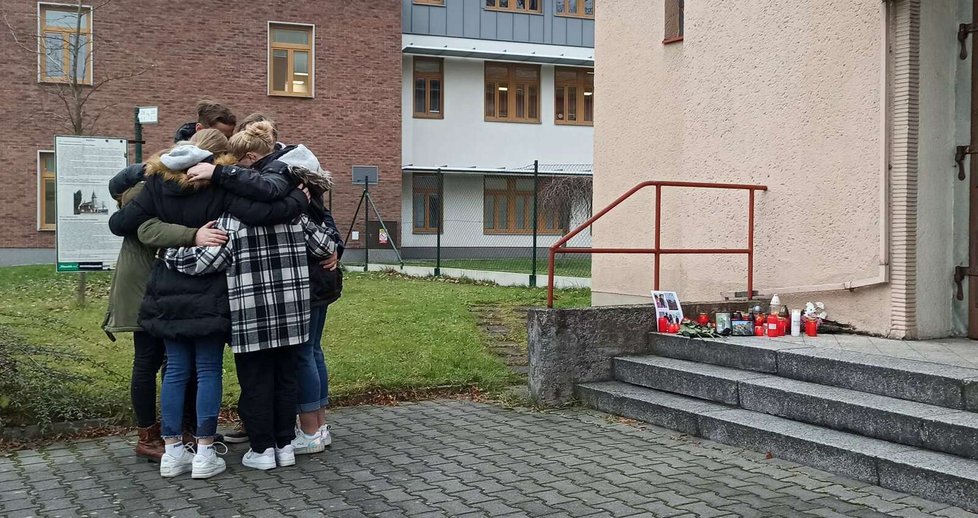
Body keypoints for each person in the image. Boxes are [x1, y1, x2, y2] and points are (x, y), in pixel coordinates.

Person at [108, 132, 309, 479]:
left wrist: (168, 240)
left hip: (166, 289)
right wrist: (297, 201)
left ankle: (172, 452)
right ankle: (203, 453)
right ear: (217, 156)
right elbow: (261, 210)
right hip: (210, 292)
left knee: (174, 371)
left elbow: (120, 224)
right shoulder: (220, 185)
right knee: (207, 370)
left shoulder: (155, 183)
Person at [187, 119, 342, 451]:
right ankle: (313, 428)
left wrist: (219, 183)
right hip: (310, 277)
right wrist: (333, 246)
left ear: (249, 158)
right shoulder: (294, 172)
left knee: (299, 356)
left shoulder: (278, 175)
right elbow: (321, 224)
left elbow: (269, 203)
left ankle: (310, 431)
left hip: (298, 284)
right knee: (307, 354)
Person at [102, 130, 230, 462]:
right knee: (150, 361)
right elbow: (132, 226)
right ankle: (152, 435)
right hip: (145, 282)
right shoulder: (155, 185)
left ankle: (178, 433)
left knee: (175, 365)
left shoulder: (170, 182)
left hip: (164, 282)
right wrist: (194, 234)